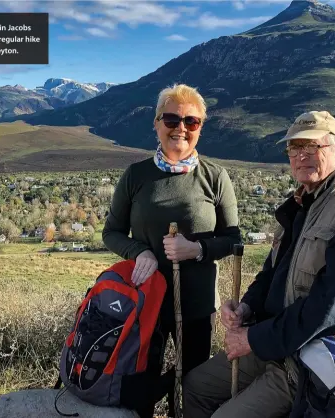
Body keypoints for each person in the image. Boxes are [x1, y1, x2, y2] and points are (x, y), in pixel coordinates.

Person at [183, 110, 335, 417]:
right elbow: (272, 274)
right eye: (294, 148)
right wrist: (246, 308)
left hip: (313, 358)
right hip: (274, 341)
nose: (301, 156)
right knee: (195, 386)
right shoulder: (301, 206)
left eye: (312, 147)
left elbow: (330, 312)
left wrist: (252, 339)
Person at [102, 83, 242, 417]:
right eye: (171, 119)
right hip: (144, 302)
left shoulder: (215, 177)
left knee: (194, 386)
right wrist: (141, 252)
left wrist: (196, 250)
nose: (180, 128)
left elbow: (234, 239)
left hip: (195, 307)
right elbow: (111, 232)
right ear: (156, 124)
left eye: (191, 122)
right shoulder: (136, 176)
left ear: (200, 129)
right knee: (141, 380)